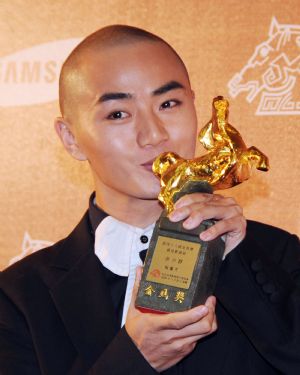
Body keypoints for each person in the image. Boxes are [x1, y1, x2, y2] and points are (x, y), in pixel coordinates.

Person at [0, 25, 299, 375]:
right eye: (118, 114)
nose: (154, 134)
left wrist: (235, 260)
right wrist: (134, 360)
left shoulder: (278, 256)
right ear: (71, 139)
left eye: (168, 103)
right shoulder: (19, 299)